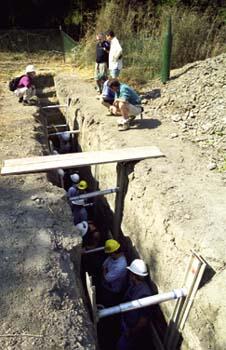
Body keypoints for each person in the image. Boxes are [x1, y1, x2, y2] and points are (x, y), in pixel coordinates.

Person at [117, 259, 153, 350]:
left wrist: (131, 332)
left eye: (131, 273)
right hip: (126, 322)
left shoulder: (145, 295)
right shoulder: (134, 285)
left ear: (133, 275)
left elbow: (143, 320)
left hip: (131, 330)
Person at [99, 239, 127, 307]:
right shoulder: (112, 257)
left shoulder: (121, 266)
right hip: (106, 284)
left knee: (108, 302)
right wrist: (105, 272)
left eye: (109, 253)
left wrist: (104, 271)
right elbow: (103, 265)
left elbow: (106, 278)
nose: (108, 255)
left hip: (112, 290)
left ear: (114, 252)